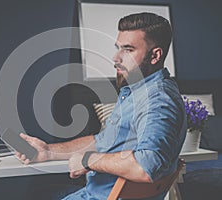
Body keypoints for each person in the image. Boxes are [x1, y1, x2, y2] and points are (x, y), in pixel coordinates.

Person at [16, 12, 187, 200]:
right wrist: (48, 151)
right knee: (39, 192)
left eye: (128, 50)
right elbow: (102, 141)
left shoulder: (157, 100)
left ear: (155, 55)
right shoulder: (138, 93)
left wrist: (88, 160)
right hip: (95, 193)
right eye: (118, 48)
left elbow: (146, 166)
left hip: (100, 197)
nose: (116, 57)